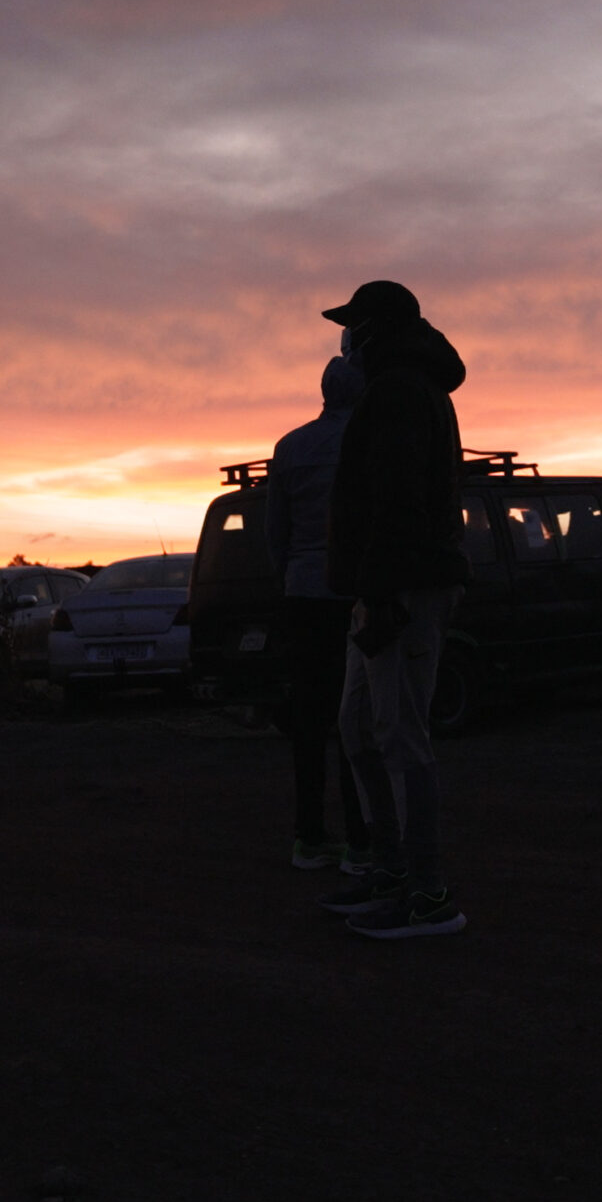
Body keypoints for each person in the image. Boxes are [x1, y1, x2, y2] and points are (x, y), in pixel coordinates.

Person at [314, 280, 472, 938]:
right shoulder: (394, 388)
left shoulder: (402, 390)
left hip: (402, 590)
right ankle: (390, 868)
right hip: (380, 588)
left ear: (374, 327)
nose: (344, 339)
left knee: (401, 736)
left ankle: (429, 894)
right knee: (358, 727)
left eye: (352, 325)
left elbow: (397, 501)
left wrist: (380, 596)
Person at [263, 353, 372, 871]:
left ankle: (309, 838)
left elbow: (275, 535)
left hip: (302, 594)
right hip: (354, 593)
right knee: (359, 720)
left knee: (310, 720)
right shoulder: (370, 442)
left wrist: (289, 579)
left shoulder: (290, 447)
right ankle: (361, 840)